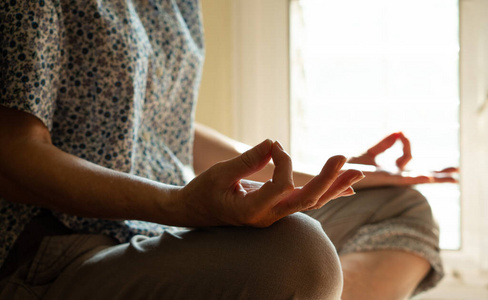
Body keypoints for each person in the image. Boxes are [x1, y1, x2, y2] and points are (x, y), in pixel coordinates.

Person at [0, 0, 457, 299]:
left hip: (165, 222)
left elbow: (164, 127)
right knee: (300, 254)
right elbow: (12, 156)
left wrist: (318, 177)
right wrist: (178, 206)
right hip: (62, 250)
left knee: (400, 204)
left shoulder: (176, 6)